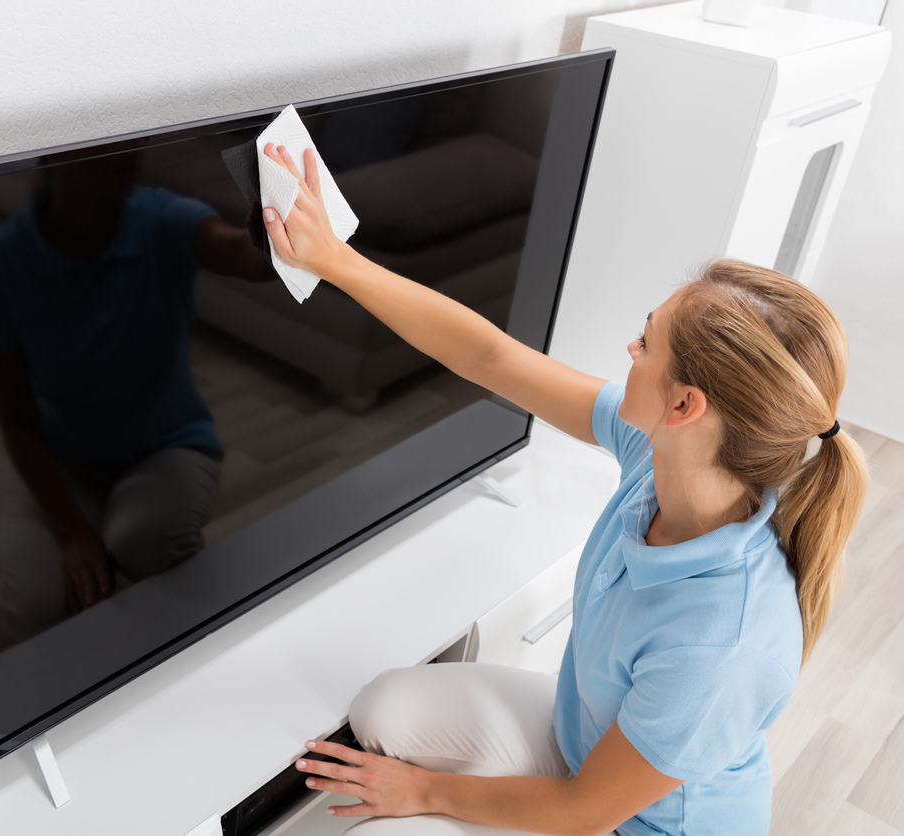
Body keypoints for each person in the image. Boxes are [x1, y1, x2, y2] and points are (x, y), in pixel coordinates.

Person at [258, 143, 868, 835]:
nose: (630, 350)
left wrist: (424, 792)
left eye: (647, 342)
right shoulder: (663, 454)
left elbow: (583, 814)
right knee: (382, 711)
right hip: (584, 749)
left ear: (686, 407)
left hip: (631, 824)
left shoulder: (724, 643)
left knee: (380, 829)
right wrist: (336, 260)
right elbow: (491, 356)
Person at [0, 146, 273, 632]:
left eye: (130, 137)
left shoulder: (161, 218)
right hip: (64, 458)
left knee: (143, 540)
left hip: (168, 446)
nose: (129, 152)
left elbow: (239, 253)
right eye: (101, 142)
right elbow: (19, 423)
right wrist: (73, 533)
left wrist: (271, 241)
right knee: (36, 607)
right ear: (53, 156)